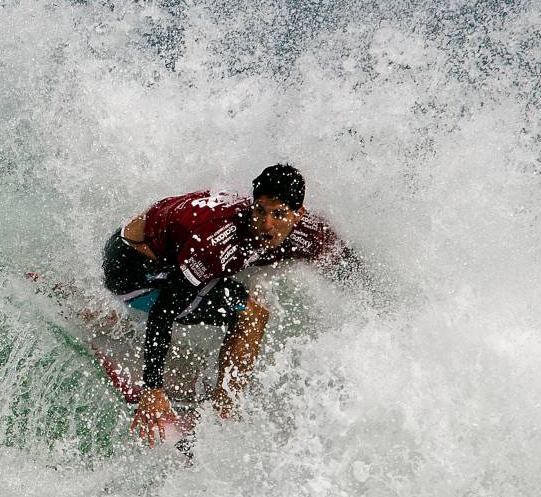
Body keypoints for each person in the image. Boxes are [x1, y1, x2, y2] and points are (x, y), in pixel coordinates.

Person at [102, 163, 363, 446]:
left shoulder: (308, 231)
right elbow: (165, 309)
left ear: (298, 213)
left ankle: (116, 322)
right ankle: (223, 415)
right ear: (252, 204)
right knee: (252, 314)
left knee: (244, 284)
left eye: (278, 214)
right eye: (260, 211)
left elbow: (343, 261)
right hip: (134, 272)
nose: (267, 224)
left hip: (165, 253)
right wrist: (152, 389)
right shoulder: (216, 242)